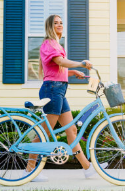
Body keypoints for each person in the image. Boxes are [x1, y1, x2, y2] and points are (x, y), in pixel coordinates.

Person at [23, 14, 106, 182]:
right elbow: (60, 61)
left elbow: (58, 68)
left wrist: (73, 72)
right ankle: (29, 170)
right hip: (52, 90)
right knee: (46, 131)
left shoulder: (56, 45)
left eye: (61, 23)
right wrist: (80, 64)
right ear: (49, 26)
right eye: (56, 23)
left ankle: (88, 168)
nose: (60, 25)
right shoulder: (48, 44)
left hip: (59, 89)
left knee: (72, 130)